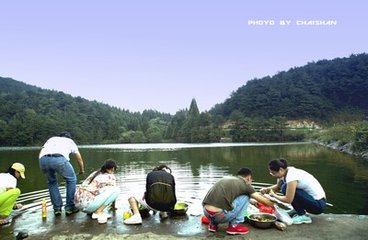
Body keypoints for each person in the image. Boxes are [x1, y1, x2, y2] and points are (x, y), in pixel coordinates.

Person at [202, 167, 274, 235]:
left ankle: (213, 225)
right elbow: (264, 201)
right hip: (220, 216)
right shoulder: (245, 184)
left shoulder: (227, 179)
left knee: (222, 201)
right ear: (248, 178)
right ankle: (233, 227)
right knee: (246, 196)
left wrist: (251, 202)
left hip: (207, 213)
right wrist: (273, 205)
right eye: (251, 180)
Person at [260, 158, 326, 225]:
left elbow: (288, 200)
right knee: (283, 185)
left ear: (280, 170)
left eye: (273, 173)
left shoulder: (291, 176)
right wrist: (267, 189)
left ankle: (303, 216)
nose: (273, 175)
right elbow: (278, 187)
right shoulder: (285, 172)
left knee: (285, 187)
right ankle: (297, 210)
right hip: (312, 200)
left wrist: (274, 195)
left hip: (318, 205)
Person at [39, 131, 85, 216]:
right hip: (58, 159)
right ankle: (70, 207)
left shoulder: (52, 139)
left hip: (43, 160)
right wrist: (81, 169)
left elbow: (43, 150)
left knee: (52, 182)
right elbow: (79, 157)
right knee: (71, 180)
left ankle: (57, 209)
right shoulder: (69, 141)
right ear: (69, 137)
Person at [74, 159, 120, 224]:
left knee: (97, 192)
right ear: (113, 168)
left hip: (78, 205)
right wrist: (113, 207)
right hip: (87, 206)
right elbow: (113, 193)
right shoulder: (110, 177)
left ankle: (93, 210)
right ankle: (98, 212)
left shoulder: (95, 173)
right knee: (116, 190)